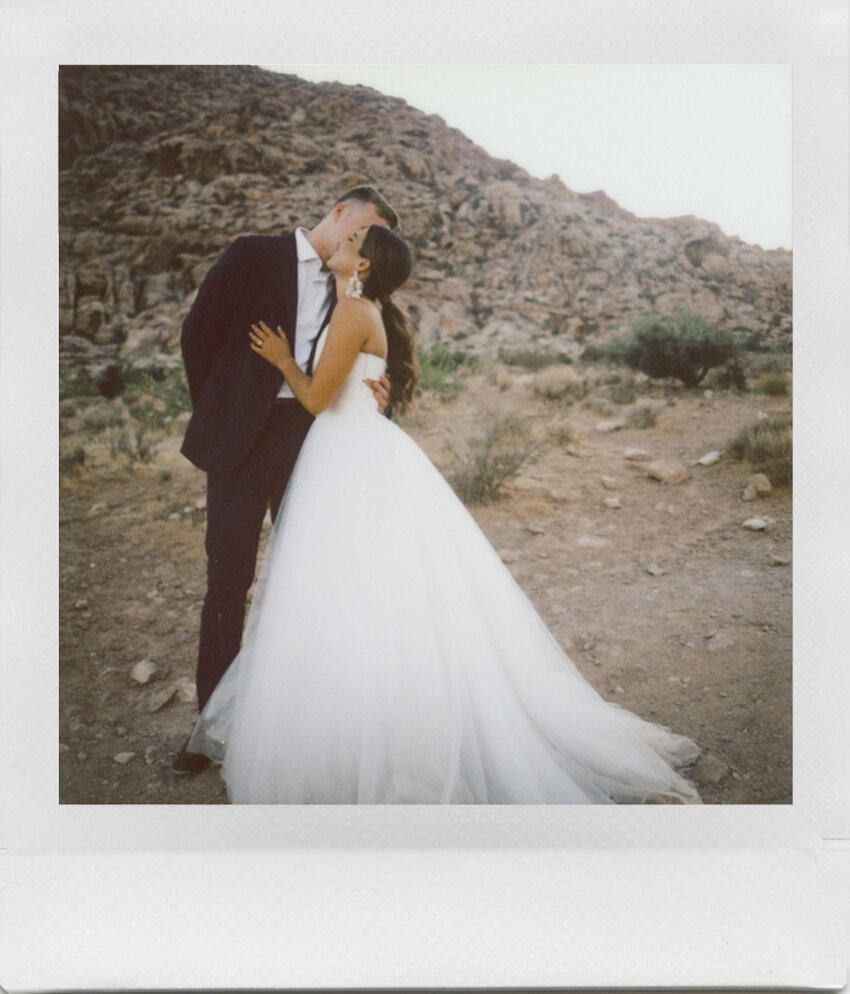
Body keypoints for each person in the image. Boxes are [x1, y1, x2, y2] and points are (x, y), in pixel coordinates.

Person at [185, 224, 702, 804]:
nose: (340, 247)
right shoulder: (360, 307)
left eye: (353, 245)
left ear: (365, 267)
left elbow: (314, 399)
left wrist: (281, 358)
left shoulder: (355, 311)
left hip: (343, 455)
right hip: (350, 450)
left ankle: (360, 731)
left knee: (342, 589)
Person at [174, 187, 399, 775]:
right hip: (240, 441)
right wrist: (222, 410)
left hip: (312, 440)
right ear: (341, 213)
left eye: (368, 244)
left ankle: (307, 727)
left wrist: (378, 389)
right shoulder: (252, 254)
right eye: (361, 232)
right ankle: (210, 730)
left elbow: (372, 354)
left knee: (313, 583)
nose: (360, 246)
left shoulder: (357, 288)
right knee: (228, 579)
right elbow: (198, 333)